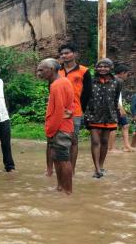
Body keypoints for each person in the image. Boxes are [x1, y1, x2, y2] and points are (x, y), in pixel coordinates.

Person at [37, 59, 74, 195]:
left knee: (63, 160)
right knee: (57, 158)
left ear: (51, 69)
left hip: (60, 128)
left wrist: (50, 130)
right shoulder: (61, 82)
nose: (39, 73)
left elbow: (59, 111)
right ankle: (60, 187)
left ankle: (68, 192)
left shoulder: (57, 85)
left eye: (41, 70)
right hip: (60, 126)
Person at [56, 43, 92, 176]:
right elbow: (51, 89)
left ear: (75, 54)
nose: (64, 56)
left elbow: (88, 93)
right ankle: (60, 169)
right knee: (57, 141)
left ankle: (71, 169)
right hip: (58, 111)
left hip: (75, 112)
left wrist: (79, 107)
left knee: (73, 140)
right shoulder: (57, 71)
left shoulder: (84, 71)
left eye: (67, 53)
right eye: (62, 54)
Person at [85, 58, 122, 178]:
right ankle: (97, 169)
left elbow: (116, 99)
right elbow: (84, 97)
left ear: (111, 68)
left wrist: (117, 114)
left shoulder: (117, 82)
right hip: (92, 114)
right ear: (96, 68)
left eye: (106, 66)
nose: (103, 68)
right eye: (100, 66)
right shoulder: (90, 80)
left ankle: (100, 166)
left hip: (109, 115)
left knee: (105, 141)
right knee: (95, 141)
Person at [108, 65, 133, 152]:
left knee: (125, 125)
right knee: (113, 127)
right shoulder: (113, 81)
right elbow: (112, 96)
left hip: (118, 106)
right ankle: (111, 148)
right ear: (122, 73)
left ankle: (127, 146)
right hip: (114, 107)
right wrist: (120, 107)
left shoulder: (118, 81)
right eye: (127, 74)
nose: (127, 76)